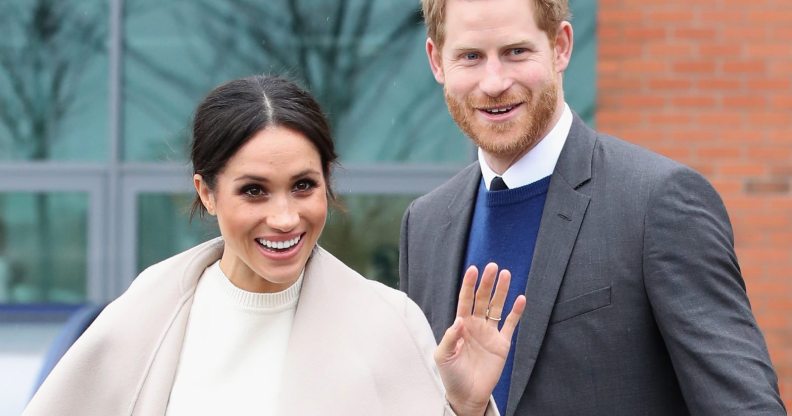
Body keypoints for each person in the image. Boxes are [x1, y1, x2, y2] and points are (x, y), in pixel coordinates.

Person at [24, 75, 526, 416]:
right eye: (253, 190)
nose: (285, 217)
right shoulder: (142, 317)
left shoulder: (390, 324)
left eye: (304, 185)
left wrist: (466, 408)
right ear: (206, 192)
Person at [399, 0, 786, 415]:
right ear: (437, 61)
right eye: (471, 56)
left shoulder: (656, 202)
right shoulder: (424, 225)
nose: (494, 82)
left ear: (561, 47)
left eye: (516, 52)